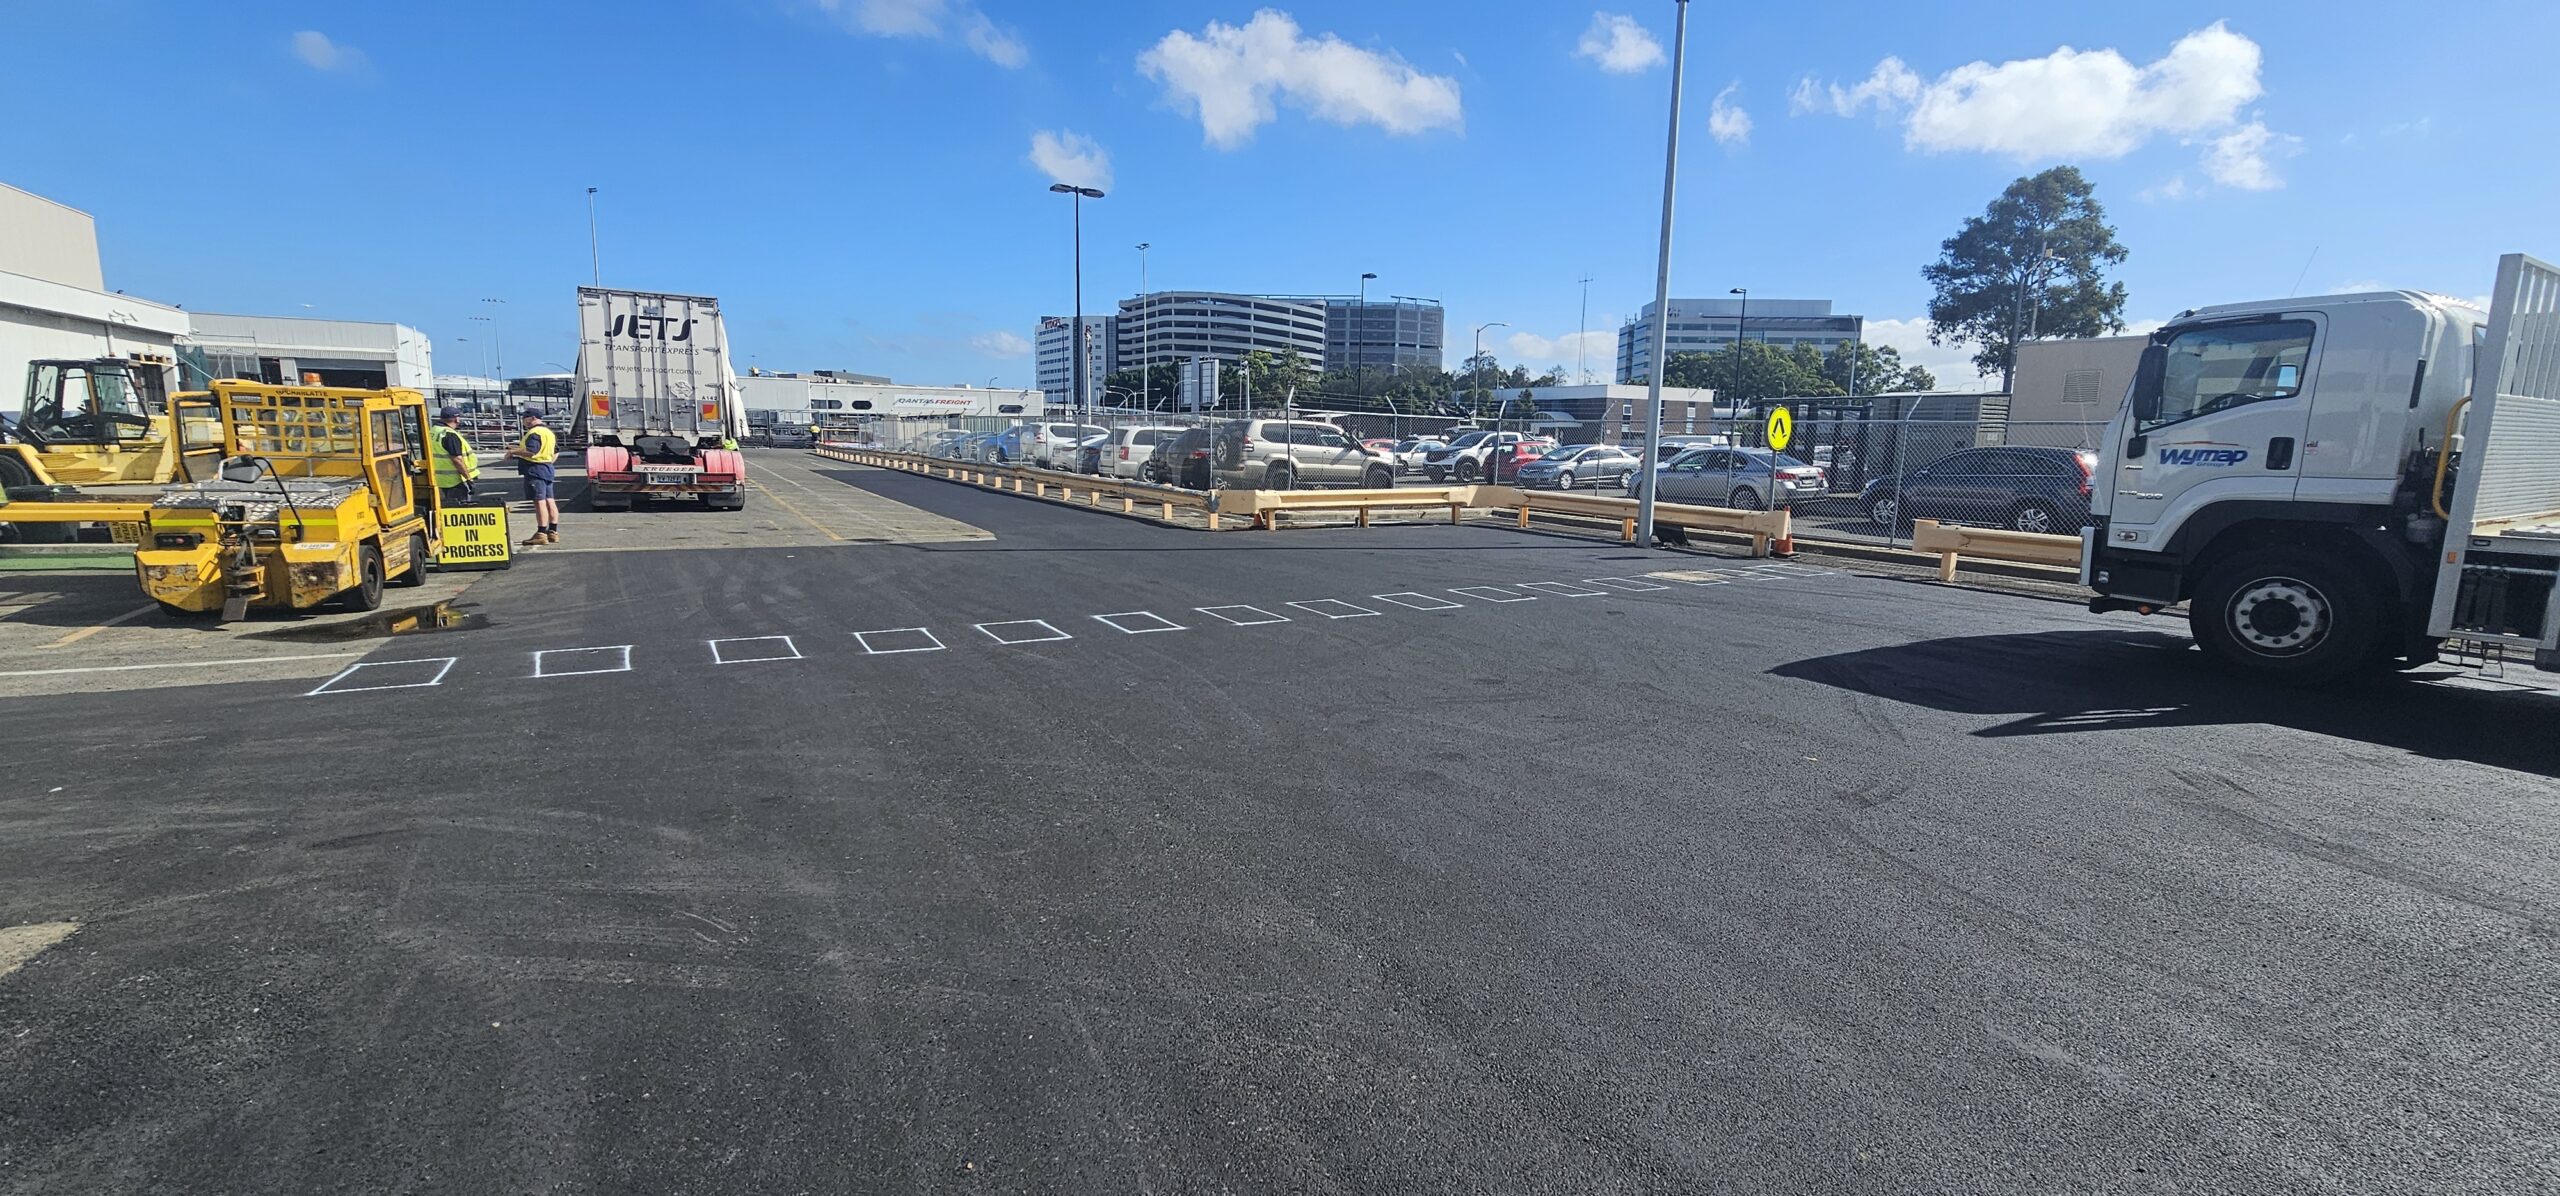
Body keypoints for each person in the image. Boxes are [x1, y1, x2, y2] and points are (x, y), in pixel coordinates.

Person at [504, 408, 560, 545]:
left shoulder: (534, 433)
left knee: (539, 501)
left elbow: (531, 451)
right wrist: (547, 462)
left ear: (532, 418)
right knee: (549, 500)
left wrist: (513, 452)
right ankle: (553, 531)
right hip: (547, 467)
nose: (523, 420)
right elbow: (556, 451)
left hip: (534, 469)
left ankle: (541, 533)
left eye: (524, 417)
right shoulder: (548, 432)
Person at [427, 406, 481, 509]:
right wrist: (468, 479)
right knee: (459, 509)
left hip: (439, 480)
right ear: (456, 418)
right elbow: (457, 459)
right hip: (455, 481)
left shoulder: (433, 431)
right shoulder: (449, 434)